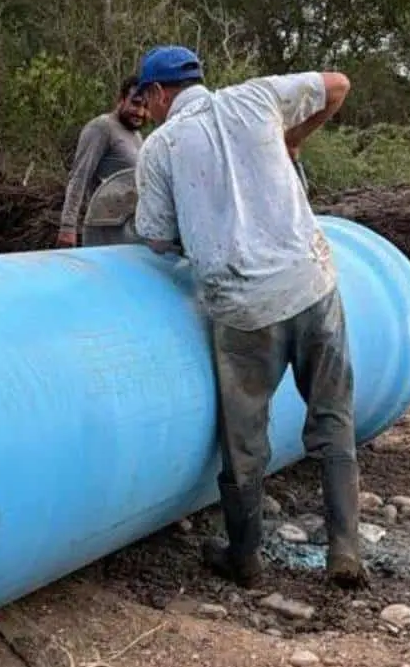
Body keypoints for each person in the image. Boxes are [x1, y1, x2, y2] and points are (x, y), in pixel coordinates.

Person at [130, 45, 365, 590]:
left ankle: (246, 559)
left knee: (245, 440)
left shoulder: (161, 146)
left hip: (242, 309)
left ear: (161, 94)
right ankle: (346, 551)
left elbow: (157, 237)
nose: (149, 107)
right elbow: (338, 84)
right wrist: (293, 139)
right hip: (312, 285)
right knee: (332, 417)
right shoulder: (257, 96)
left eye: (149, 97)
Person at [56, 76, 147, 247]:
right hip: (103, 228)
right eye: (135, 103)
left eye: (145, 106)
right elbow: (79, 177)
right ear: (120, 99)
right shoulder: (102, 127)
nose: (140, 112)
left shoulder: (136, 135)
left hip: (128, 230)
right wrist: (68, 227)